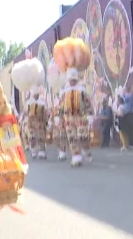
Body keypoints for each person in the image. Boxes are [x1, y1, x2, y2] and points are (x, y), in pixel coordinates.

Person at [54, 38, 94, 168]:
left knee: (83, 136)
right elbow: (60, 106)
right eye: (70, 79)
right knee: (72, 137)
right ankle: (76, 157)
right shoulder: (64, 92)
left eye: (73, 79)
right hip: (68, 118)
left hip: (81, 116)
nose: (71, 81)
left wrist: (90, 115)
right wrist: (57, 117)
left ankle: (86, 150)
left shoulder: (82, 90)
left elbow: (88, 103)